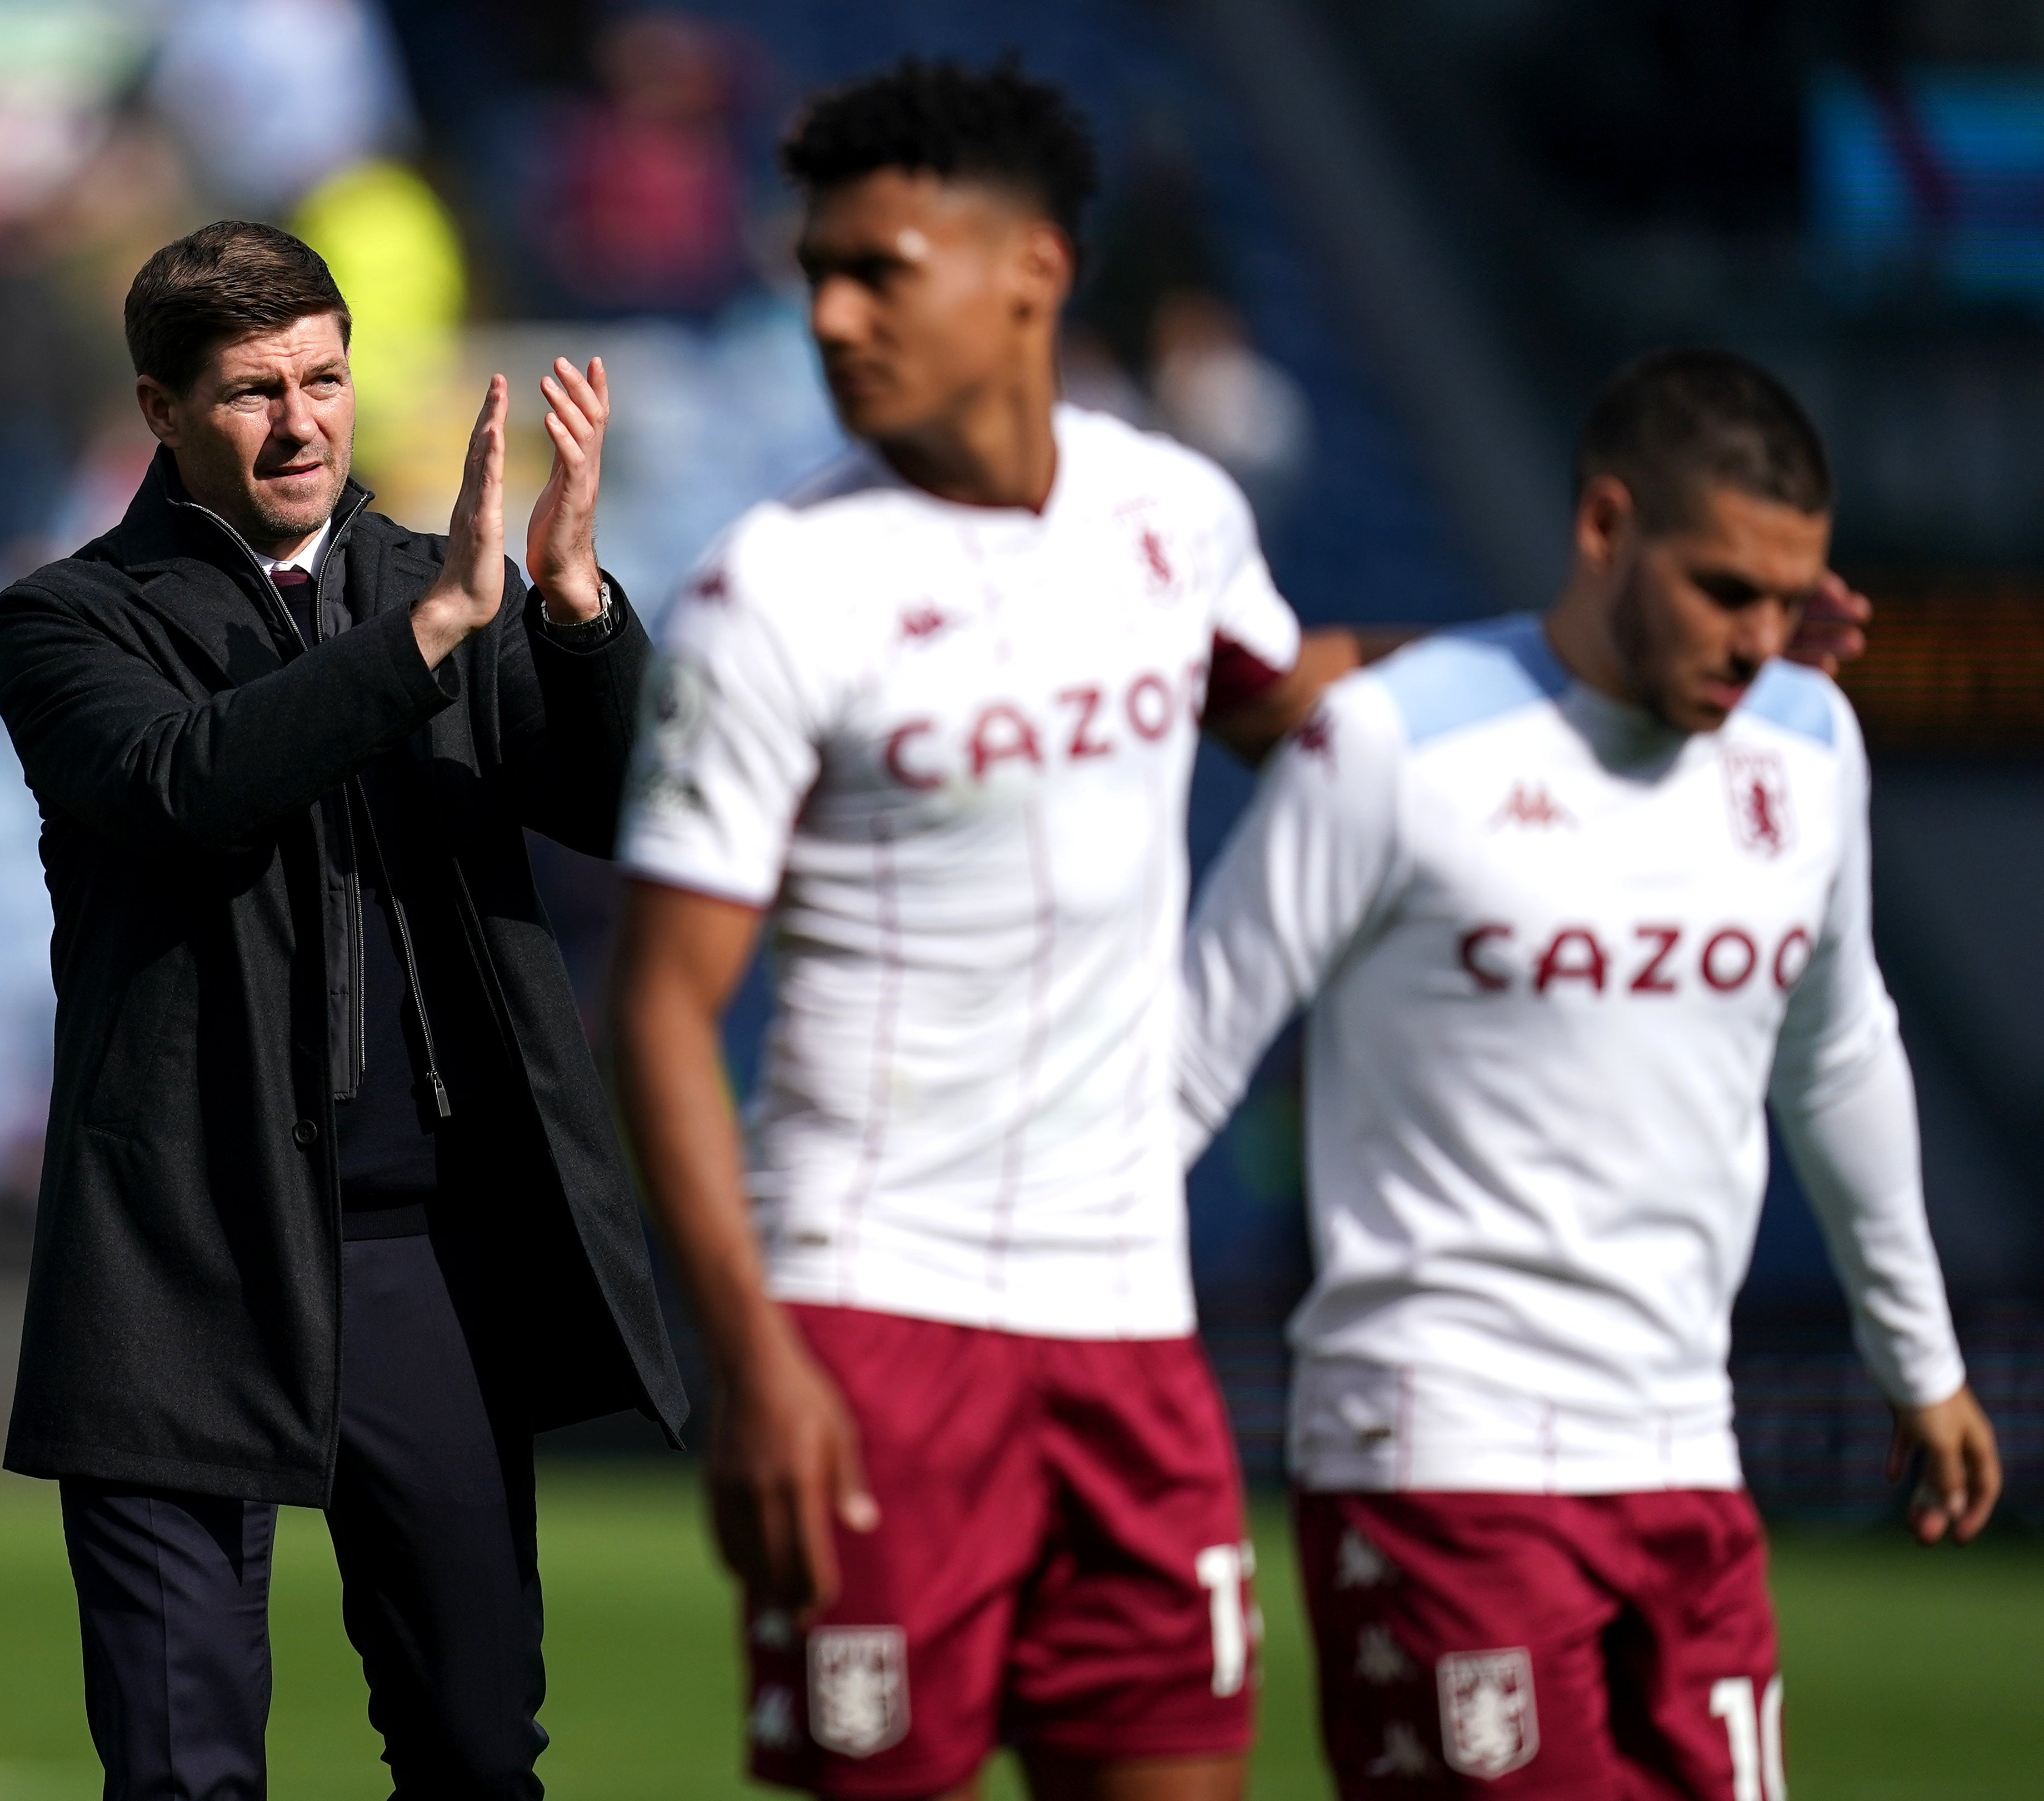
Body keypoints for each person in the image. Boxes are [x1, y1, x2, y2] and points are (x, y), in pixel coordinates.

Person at [610, 63, 1358, 1801]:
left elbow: (1294, 709)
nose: (830, 313)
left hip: (1127, 1318)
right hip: (869, 1321)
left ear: (1031, 266)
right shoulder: (770, 593)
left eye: (879, 266)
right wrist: (755, 1355)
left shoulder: (1172, 517)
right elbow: (655, 1009)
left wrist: (1573, 665)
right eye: (814, 272)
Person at [1176, 348, 1999, 1798]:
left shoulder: (1808, 746)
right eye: (1722, 590)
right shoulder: (1392, 744)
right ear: (1604, 527)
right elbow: (1185, 1054)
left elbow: (1838, 1046)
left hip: (1684, 1444)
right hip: (1435, 1445)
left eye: (1786, 601)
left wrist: (1917, 1355)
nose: (1759, 642)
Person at [0, 219, 685, 1799]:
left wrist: (571, 607)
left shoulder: (448, 575)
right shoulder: (67, 619)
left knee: (473, 1745)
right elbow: (189, 784)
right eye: (250, 391)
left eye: (323, 377)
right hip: (179, 1254)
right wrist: (437, 625)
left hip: (414, 1256)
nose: (301, 421)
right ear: (160, 412)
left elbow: (625, 797)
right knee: (182, 1772)